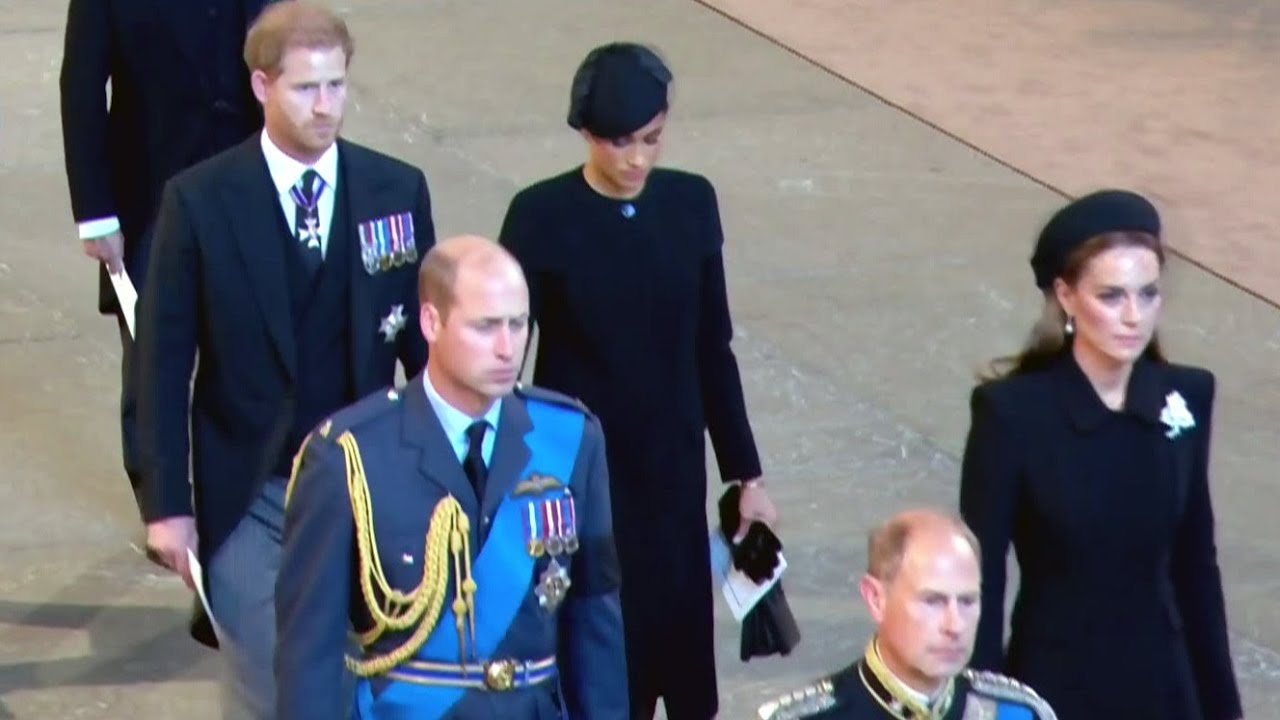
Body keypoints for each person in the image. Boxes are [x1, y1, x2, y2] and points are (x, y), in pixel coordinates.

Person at [134, 3, 435, 717]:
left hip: (367, 488)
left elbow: (425, 347)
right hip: (251, 494)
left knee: (365, 686)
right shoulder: (201, 201)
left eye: (336, 86)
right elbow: (161, 364)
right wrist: (168, 507)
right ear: (262, 86)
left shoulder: (396, 190)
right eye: (306, 89)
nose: (326, 107)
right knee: (272, 687)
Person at [497, 41, 777, 719]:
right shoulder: (540, 218)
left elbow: (714, 348)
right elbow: (502, 360)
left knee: (679, 651)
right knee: (600, 648)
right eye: (618, 142)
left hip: (672, 472)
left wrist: (746, 474)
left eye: (650, 139)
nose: (636, 160)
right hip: (580, 473)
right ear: (587, 134)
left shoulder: (689, 205)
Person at [275, 235, 628, 719]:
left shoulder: (569, 438)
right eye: (485, 328)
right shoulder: (350, 456)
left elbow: (594, 619)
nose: (508, 348)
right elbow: (309, 650)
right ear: (430, 322)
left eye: (519, 324)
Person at [958, 190, 1242, 719]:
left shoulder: (1185, 397)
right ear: (1065, 296)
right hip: (1056, 686)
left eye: (1148, 294)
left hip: (1166, 689)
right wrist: (983, 705)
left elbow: (1196, 567)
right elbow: (984, 578)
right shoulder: (1013, 415)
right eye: (1111, 296)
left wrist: (1224, 710)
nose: (1134, 316)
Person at [58, 0, 282, 515]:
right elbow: (83, 87)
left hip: (247, 186)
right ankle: (161, 503)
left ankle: (250, 490)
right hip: (149, 193)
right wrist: (96, 213)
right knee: (152, 359)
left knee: (255, 347)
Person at [757, 509, 1057, 719]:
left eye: (967, 601)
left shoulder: (1018, 714)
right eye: (933, 601)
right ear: (876, 599)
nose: (955, 625)